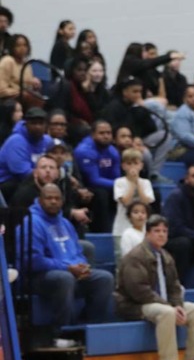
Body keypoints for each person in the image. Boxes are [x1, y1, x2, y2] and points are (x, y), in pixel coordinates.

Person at [116, 214, 194, 360]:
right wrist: (170, 307)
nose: (161, 234)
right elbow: (140, 291)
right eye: (157, 231)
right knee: (167, 313)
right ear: (147, 233)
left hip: (162, 303)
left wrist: (178, 306)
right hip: (134, 305)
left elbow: (174, 287)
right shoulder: (135, 256)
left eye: (164, 231)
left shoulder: (166, 256)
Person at [18, 184, 113, 348]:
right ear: (40, 200)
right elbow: (33, 261)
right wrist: (68, 268)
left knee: (104, 279)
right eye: (49, 198)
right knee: (64, 278)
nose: (53, 202)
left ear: (62, 201)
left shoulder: (65, 223)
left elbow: (77, 251)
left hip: (69, 273)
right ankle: (61, 333)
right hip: (38, 278)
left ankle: (89, 329)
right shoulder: (31, 223)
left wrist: (82, 266)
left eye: (57, 198)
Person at [74, 120, 121, 232]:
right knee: (101, 194)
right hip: (85, 188)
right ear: (93, 134)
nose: (106, 136)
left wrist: (123, 185)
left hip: (106, 186)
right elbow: (93, 180)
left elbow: (116, 176)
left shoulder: (113, 151)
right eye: (102, 133)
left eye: (108, 133)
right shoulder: (84, 150)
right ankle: (103, 232)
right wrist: (121, 184)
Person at [0, 107, 52, 201]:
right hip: (8, 183)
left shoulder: (48, 141)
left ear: (46, 125)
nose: (37, 127)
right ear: (26, 124)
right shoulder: (16, 141)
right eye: (33, 123)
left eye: (41, 123)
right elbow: (23, 173)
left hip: (38, 179)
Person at [112, 149, 154, 237]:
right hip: (121, 229)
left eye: (135, 163)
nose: (132, 167)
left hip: (142, 230)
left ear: (141, 166)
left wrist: (137, 183)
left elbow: (145, 202)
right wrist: (132, 183)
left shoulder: (146, 183)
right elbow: (126, 202)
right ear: (123, 166)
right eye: (129, 163)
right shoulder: (119, 182)